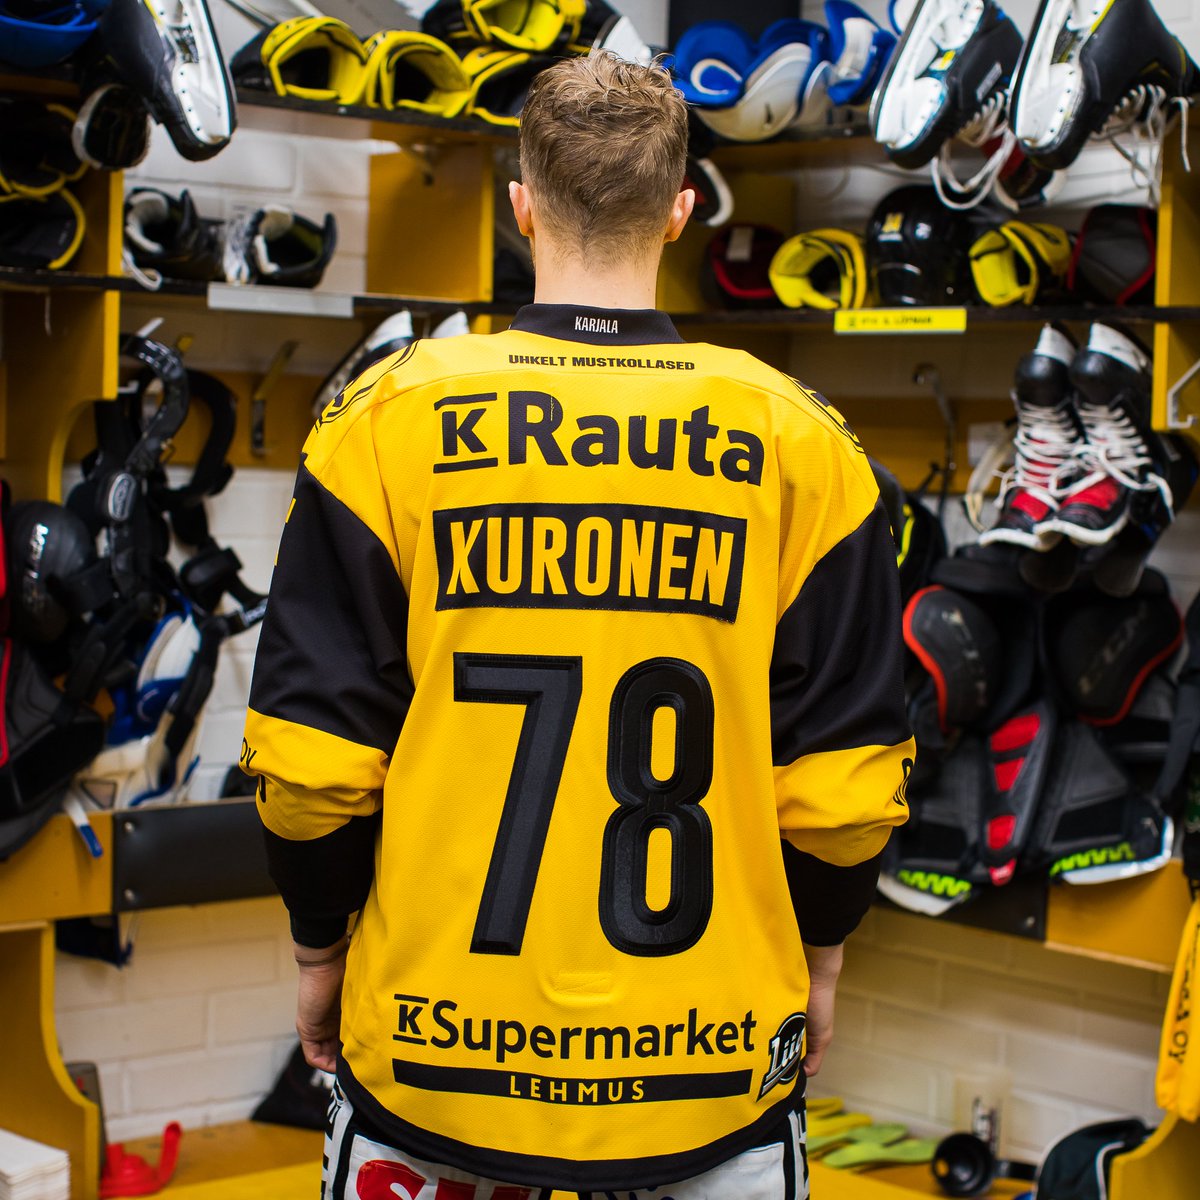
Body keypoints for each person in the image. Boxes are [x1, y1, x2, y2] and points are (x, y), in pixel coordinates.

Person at [241, 50, 914, 1200]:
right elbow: (845, 789)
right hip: (709, 1071)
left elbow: (311, 766)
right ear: (682, 211)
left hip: (434, 1064)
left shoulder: (385, 421)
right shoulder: (804, 444)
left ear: (521, 205)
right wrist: (825, 957)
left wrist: (317, 950)